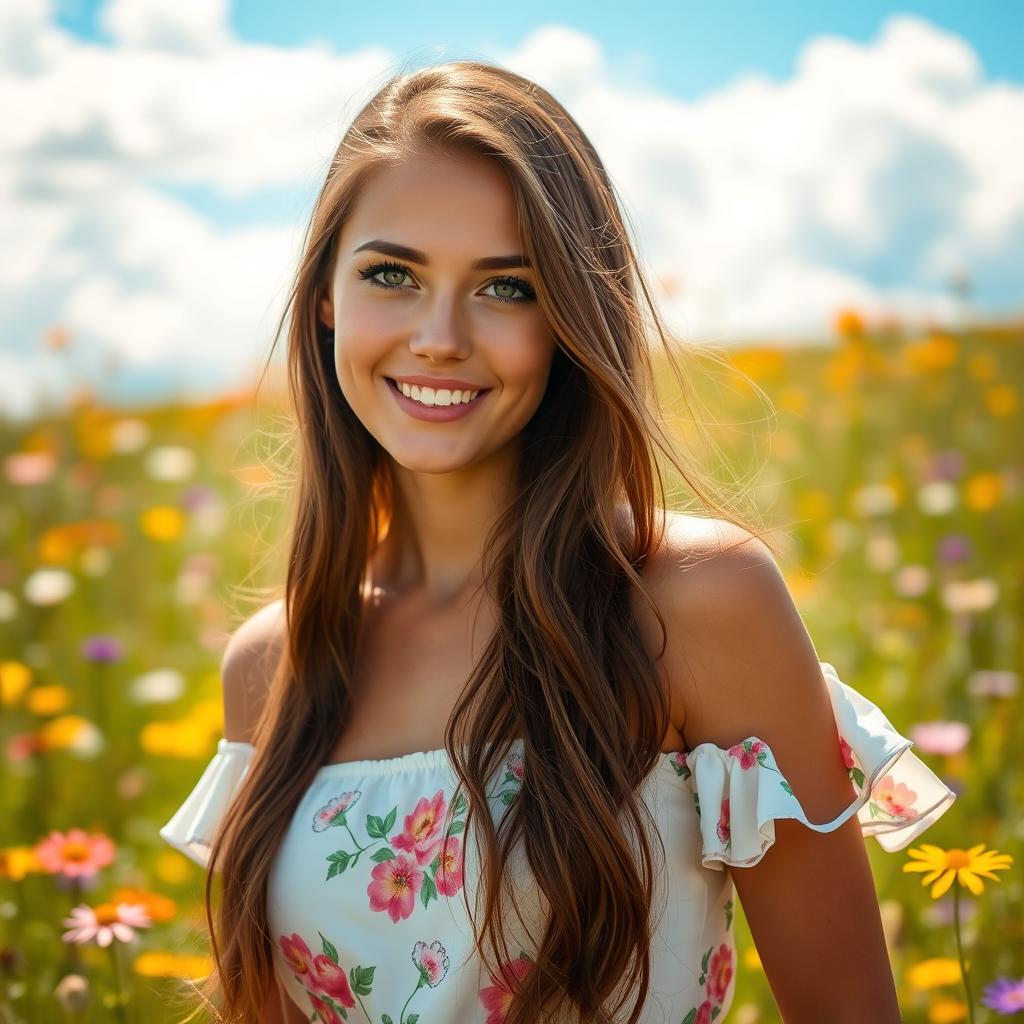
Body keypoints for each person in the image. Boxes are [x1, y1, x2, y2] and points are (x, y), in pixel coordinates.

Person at [160, 59, 954, 1024]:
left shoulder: (698, 604)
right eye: (391, 274)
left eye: (506, 287)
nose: (440, 337)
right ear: (325, 295)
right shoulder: (271, 666)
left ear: (571, 314)